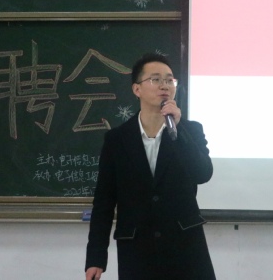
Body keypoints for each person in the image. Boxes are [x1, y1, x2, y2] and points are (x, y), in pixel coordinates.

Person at [85, 53, 216, 280]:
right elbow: (104, 201)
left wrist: (178, 130)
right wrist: (96, 257)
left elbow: (203, 173)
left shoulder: (190, 131)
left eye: (169, 80)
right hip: (137, 249)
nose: (164, 85)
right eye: (156, 79)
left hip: (185, 246)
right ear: (137, 89)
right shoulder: (117, 139)